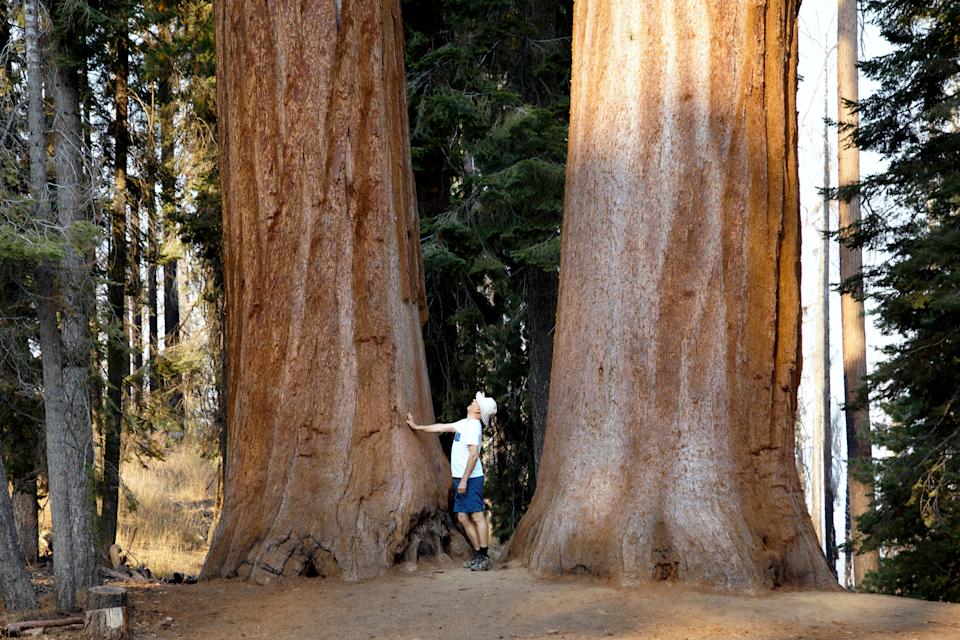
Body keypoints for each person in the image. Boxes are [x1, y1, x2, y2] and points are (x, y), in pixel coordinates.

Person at [406, 392, 497, 571]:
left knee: (477, 515)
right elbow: (442, 426)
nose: (472, 401)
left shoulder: (473, 428)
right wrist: (417, 427)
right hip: (462, 479)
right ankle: (479, 554)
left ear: (478, 410)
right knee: (463, 517)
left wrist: (463, 481)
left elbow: (473, 456)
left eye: (475, 401)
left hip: (470, 478)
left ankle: (484, 557)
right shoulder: (465, 423)